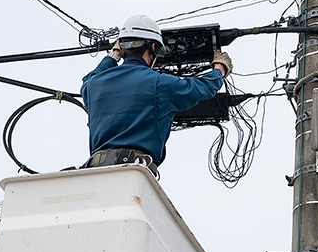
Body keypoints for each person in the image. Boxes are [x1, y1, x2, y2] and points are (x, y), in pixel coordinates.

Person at [80, 14, 233, 176]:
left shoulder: (93, 85)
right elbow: (203, 87)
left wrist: (114, 55)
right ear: (153, 47)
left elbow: (89, 78)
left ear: (122, 48)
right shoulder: (160, 84)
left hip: (95, 173)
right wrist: (219, 69)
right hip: (135, 172)